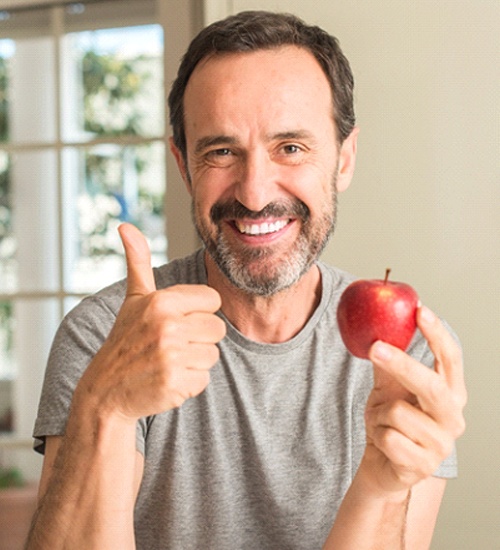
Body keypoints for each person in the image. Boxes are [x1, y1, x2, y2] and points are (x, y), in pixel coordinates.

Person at [26, 11, 466, 550]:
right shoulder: (104, 335)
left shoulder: (406, 351)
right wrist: (106, 406)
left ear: (344, 159)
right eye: (221, 152)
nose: (255, 193)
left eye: (291, 148)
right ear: (184, 165)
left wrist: (379, 484)